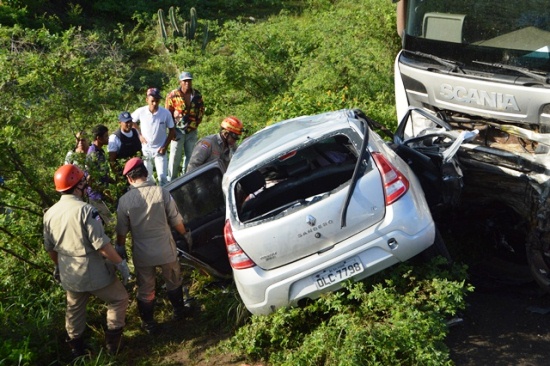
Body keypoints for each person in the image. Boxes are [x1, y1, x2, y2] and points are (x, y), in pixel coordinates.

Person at [43, 164, 130, 358]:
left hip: (69, 271)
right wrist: (121, 264)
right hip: (93, 270)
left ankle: (77, 350)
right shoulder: (86, 210)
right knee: (119, 298)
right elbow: (102, 245)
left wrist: (58, 266)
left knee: (74, 309)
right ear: (77, 185)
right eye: (83, 181)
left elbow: (50, 248)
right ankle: (112, 345)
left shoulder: (49, 213)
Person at [115, 157, 188, 334]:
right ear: (146, 174)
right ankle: (179, 311)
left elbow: (121, 233)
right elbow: (177, 220)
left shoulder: (124, 201)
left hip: (142, 253)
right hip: (165, 248)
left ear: (130, 179)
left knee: (146, 289)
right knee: (173, 280)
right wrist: (185, 235)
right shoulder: (161, 193)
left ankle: (149, 324)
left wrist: (120, 250)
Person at [165, 71, 205, 180]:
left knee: (191, 156)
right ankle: (171, 181)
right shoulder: (172, 95)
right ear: (180, 82)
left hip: (192, 130)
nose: (187, 83)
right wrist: (171, 130)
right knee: (174, 158)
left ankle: (187, 179)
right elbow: (167, 114)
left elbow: (201, 110)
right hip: (177, 131)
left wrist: (196, 123)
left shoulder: (197, 95)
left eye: (189, 81)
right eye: (185, 81)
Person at [132, 88, 175, 186]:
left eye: (157, 101)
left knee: (162, 177)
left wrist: (165, 146)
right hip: (146, 149)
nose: (155, 103)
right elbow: (131, 121)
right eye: (152, 101)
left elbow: (172, 130)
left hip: (160, 149)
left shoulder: (165, 113)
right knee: (147, 177)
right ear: (147, 100)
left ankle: (165, 198)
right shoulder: (141, 111)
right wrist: (139, 135)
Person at [86, 124, 114, 225]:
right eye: (106, 136)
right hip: (96, 196)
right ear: (99, 138)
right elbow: (90, 179)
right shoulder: (93, 153)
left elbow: (102, 173)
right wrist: (104, 192)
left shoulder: (100, 151)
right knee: (111, 223)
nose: (108, 138)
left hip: (103, 194)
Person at [107, 111, 142, 176]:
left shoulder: (136, 132)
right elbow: (112, 160)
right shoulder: (114, 138)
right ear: (120, 123)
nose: (129, 124)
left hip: (138, 171)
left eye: (130, 121)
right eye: (126, 122)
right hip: (124, 173)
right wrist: (118, 176)